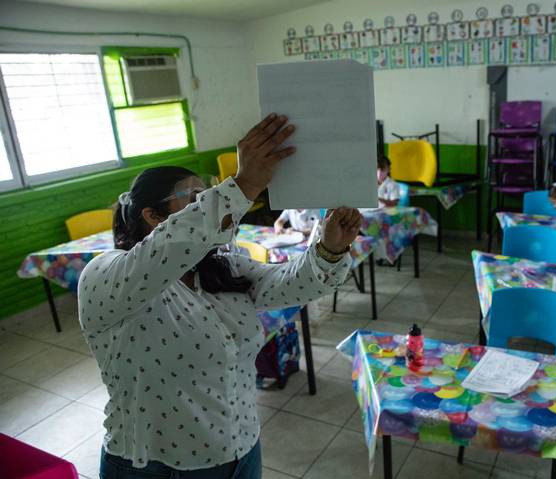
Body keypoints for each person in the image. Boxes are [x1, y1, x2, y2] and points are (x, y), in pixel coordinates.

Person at [80, 114, 362, 479]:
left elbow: (288, 284)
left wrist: (328, 249)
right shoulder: (107, 276)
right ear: (151, 215)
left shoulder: (219, 266)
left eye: (207, 195)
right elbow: (165, 250)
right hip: (156, 467)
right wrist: (242, 185)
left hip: (241, 450)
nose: (207, 204)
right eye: (195, 199)